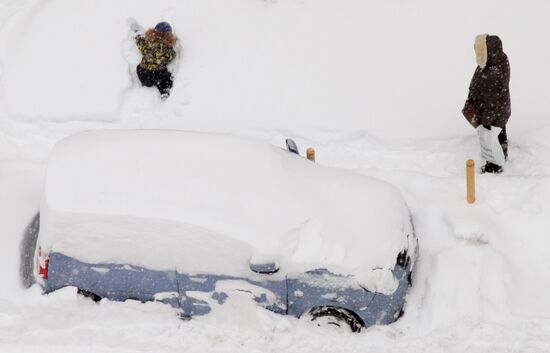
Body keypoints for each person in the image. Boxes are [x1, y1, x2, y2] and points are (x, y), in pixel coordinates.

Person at [462, 34, 511, 174]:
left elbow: (491, 103)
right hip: (501, 110)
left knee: (491, 139)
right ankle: (504, 149)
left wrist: (485, 123)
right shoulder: (499, 60)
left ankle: (494, 166)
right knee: (500, 132)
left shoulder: (491, 73)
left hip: (492, 114)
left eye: (480, 50)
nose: (476, 53)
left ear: (488, 51)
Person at [130, 21, 177, 99]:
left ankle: (146, 82)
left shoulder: (148, 42)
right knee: (166, 78)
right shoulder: (165, 48)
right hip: (157, 75)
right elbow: (171, 56)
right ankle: (164, 91)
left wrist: (137, 36)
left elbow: (141, 43)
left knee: (141, 66)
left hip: (143, 74)